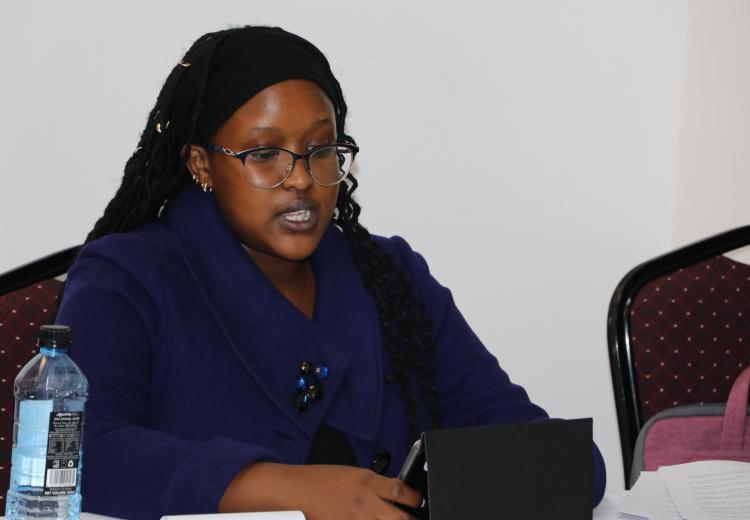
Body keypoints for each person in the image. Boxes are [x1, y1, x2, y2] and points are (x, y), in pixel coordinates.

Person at [56, 26, 606, 519]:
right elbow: (78, 454)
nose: (301, 179)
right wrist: (284, 489)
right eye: (264, 153)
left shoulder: (390, 275)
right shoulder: (126, 275)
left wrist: (529, 472)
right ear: (201, 164)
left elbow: (541, 446)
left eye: (320, 149)